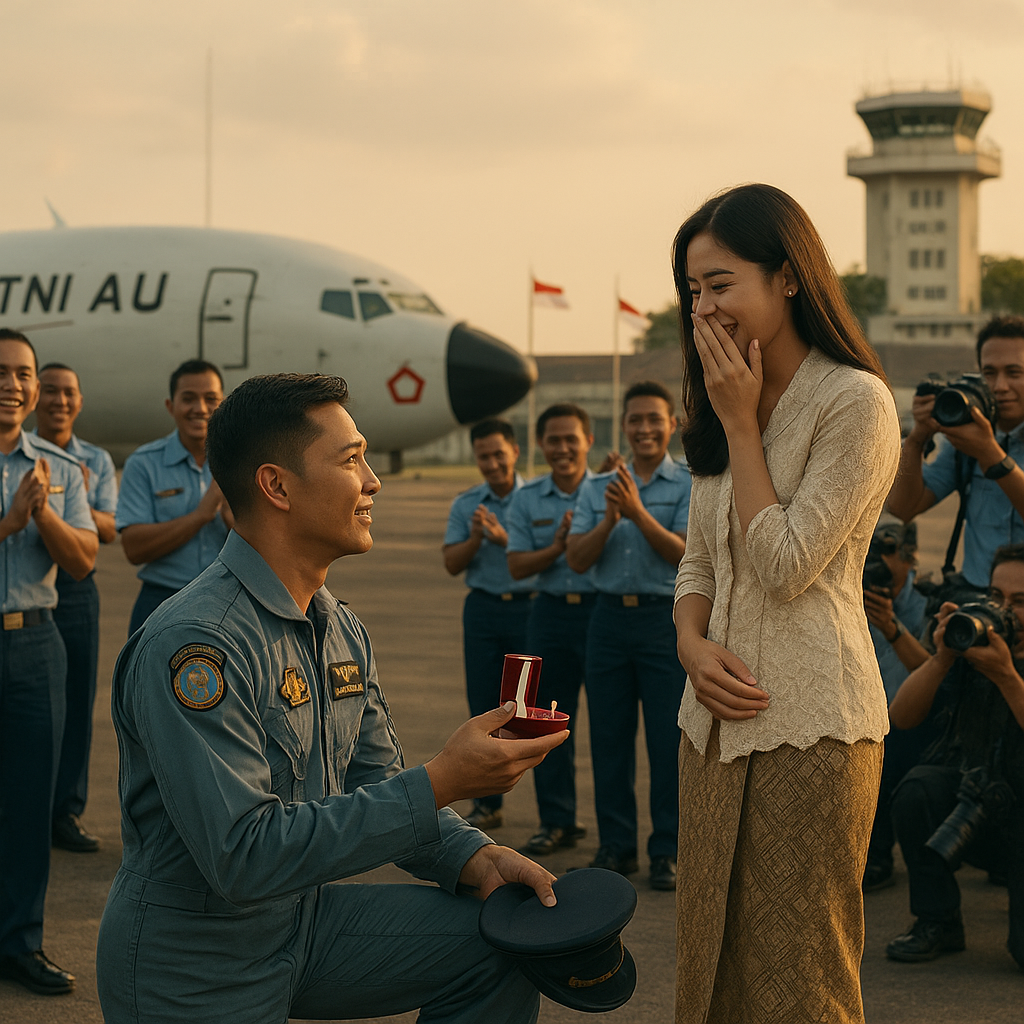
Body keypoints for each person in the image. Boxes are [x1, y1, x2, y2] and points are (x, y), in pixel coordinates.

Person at [96, 373, 568, 1024]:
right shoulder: (197, 647)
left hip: (303, 923)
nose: (373, 480)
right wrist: (442, 781)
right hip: (195, 955)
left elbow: (375, 779)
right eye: (351, 461)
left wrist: (474, 856)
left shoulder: (338, 628)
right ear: (277, 486)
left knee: (504, 944)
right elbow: (243, 857)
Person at [672, 184, 900, 1023]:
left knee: (799, 973)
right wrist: (692, 647)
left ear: (789, 278)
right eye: (693, 290)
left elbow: (786, 565)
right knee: (709, 960)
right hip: (710, 727)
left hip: (813, 726)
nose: (705, 308)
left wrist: (741, 426)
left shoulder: (855, 403)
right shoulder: (719, 394)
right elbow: (700, 562)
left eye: (722, 284)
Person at [0, 330, 98, 996]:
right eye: (1, 372)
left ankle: (18, 942)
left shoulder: (58, 471)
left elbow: (84, 559)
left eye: (23, 374)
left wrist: (42, 517)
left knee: (30, 805)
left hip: (35, 646)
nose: (13, 384)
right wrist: (7, 524)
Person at [566, 380, 690, 891]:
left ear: (672, 425)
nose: (644, 429)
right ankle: (616, 845)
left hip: (666, 620)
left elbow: (686, 554)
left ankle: (668, 849)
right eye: (635, 420)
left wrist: (637, 514)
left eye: (653, 420)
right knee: (609, 738)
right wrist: (611, 517)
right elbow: (576, 558)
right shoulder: (595, 490)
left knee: (667, 740)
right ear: (623, 425)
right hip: (608, 621)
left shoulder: (687, 484)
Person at [885, 543, 1024, 968]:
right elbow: (901, 718)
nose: (1004, 611)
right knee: (919, 789)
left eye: (1020, 602)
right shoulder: (976, 649)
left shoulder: (998, 663)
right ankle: (938, 920)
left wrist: (1007, 674)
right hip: (980, 805)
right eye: (996, 598)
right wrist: (943, 658)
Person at [33, 362, 118, 855]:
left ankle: (65, 809)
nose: (59, 401)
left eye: (69, 393)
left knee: (75, 703)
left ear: (80, 402)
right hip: (28, 583)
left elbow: (110, 528)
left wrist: (74, 498)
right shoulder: (19, 453)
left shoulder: (95, 461)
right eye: (50, 391)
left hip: (76, 586)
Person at [506, 403, 596, 856]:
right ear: (541, 445)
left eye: (570, 439)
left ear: (588, 441)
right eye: (553, 440)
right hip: (549, 614)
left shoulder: (607, 492)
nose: (562, 448)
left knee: (610, 726)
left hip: (602, 615)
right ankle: (557, 820)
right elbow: (518, 566)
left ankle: (618, 837)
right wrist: (558, 547)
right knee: (545, 724)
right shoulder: (528, 498)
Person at [443, 418, 535, 830]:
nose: (492, 463)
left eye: (499, 453)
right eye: (484, 456)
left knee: (532, 712)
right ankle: (487, 805)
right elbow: (451, 563)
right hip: (482, 610)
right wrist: (478, 538)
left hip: (530, 610)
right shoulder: (467, 505)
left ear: (515, 451)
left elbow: (557, 556)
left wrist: (504, 540)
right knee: (484, 709)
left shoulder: (536, 498)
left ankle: (557, 815)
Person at [888, 315, 1024, 588]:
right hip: (979, 595)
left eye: (1014, 373)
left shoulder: (978, 444)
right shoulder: (966, 440)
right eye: (989, 373)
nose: (1000, 386)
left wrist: (989, 453)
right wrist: (917, 438)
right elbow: (903, 508)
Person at [116, 359, 231, 635]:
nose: (200, 409)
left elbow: (268, 544)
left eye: (210, 399)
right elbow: (134, 549)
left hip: (228, 602)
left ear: (224, 404)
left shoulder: (241, 463)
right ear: (171, 406)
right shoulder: (144, 463)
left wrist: (231, 518)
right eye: (188, 399)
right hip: (161, 601)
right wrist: (199, 517)